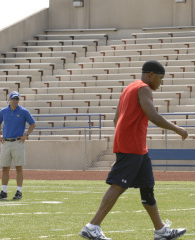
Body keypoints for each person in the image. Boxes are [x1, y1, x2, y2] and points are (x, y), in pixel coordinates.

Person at [79, 60, 188, 240]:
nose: (161, 83)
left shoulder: (129, 88)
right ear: (151, 74)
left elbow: (116, 119)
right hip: (133, 147)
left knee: (147, 188)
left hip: (137, 148)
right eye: (160, 78)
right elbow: (152, 116)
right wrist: (177, 129)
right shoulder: (144, 88)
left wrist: (121, 146)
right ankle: (92, 226)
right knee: (118, 186)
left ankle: (160, 231)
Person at [0, 91, 36, 200]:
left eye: (17, 99)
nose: (15, 101)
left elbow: (32, 123)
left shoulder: (23, 112)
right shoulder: (3, 111)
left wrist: (26, 134)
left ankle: (19, 191)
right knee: (5, 167)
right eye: (13, 98)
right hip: (6, 142)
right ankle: (3, 191)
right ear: (9, 99)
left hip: (18, 142)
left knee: (19, 167)